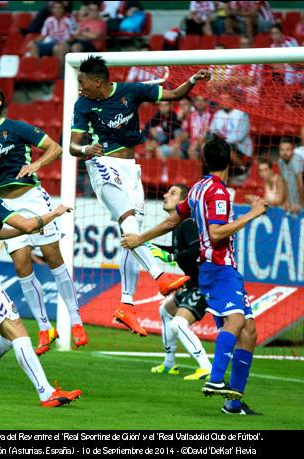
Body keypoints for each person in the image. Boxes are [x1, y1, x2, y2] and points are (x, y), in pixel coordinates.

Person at [122, 138, 267, 415]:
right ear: (230, 161)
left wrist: (140, 237)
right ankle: (214, 378)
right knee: (236, 321)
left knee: (249, 332)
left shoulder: (198, 188)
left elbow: (171, 221)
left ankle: (234, 404)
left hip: (215, 269)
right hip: (220, 267)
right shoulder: (219, 192)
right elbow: (216, 233)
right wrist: (252, 214)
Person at [68, 55, 209, 336]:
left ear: (98, 81)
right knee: (129, 220)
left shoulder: (130, 92)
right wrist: (86, 150)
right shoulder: (83, 104)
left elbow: (174, 94)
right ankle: (159, 276)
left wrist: (192, 80)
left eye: (83, 81)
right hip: (102, 166)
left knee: (132, 235)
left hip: (131, 171)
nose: (79, 86)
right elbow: (73, 146)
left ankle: (127, 305)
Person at [0, 85, 87, 354]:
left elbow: (55, 148)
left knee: (52, 256)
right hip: (5, 204)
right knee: (21, 265)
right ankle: (44, 327)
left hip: (32, 196)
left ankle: (76, 320)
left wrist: (37, 165)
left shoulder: (15, 127)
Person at [0, 148, 81, 406]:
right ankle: (46, 392)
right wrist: (55, 213)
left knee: (7, 337)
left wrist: (23, 234)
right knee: (20, 334)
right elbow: (29, 225)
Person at [143, 184, 213, 381]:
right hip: (194, 284)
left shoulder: (188, 223)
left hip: (206, 284)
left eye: (172, 193)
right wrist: (146, 244)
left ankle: (206, 367)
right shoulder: (178, 224)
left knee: (179, 323)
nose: (165, 195)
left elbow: (198, 250)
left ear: (183, 202)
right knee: (165, 310)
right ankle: (169, 364)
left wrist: (171, 257)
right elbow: (176, 250)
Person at [178, 95, 211, 161]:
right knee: (177, 148)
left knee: (202, 147)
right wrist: (177, 142)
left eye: (202, 100)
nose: (200, 102)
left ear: (207, 102)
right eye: (198, 100)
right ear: (195, 102)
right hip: (193, 142)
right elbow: (187, 132)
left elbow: (211, 132)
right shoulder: (191, 116)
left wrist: (199, 142)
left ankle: (206, 171)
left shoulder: (211, 115)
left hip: (207, 140)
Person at [277, 136, 304, 212]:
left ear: (293, 150)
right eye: (282, 150)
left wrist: (300, 205)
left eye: (287, 149)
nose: (284, 153)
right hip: (293, 203)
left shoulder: (296, 160)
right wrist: (287, 201)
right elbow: (285, 183)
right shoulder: (281, 162)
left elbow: (301, 184)